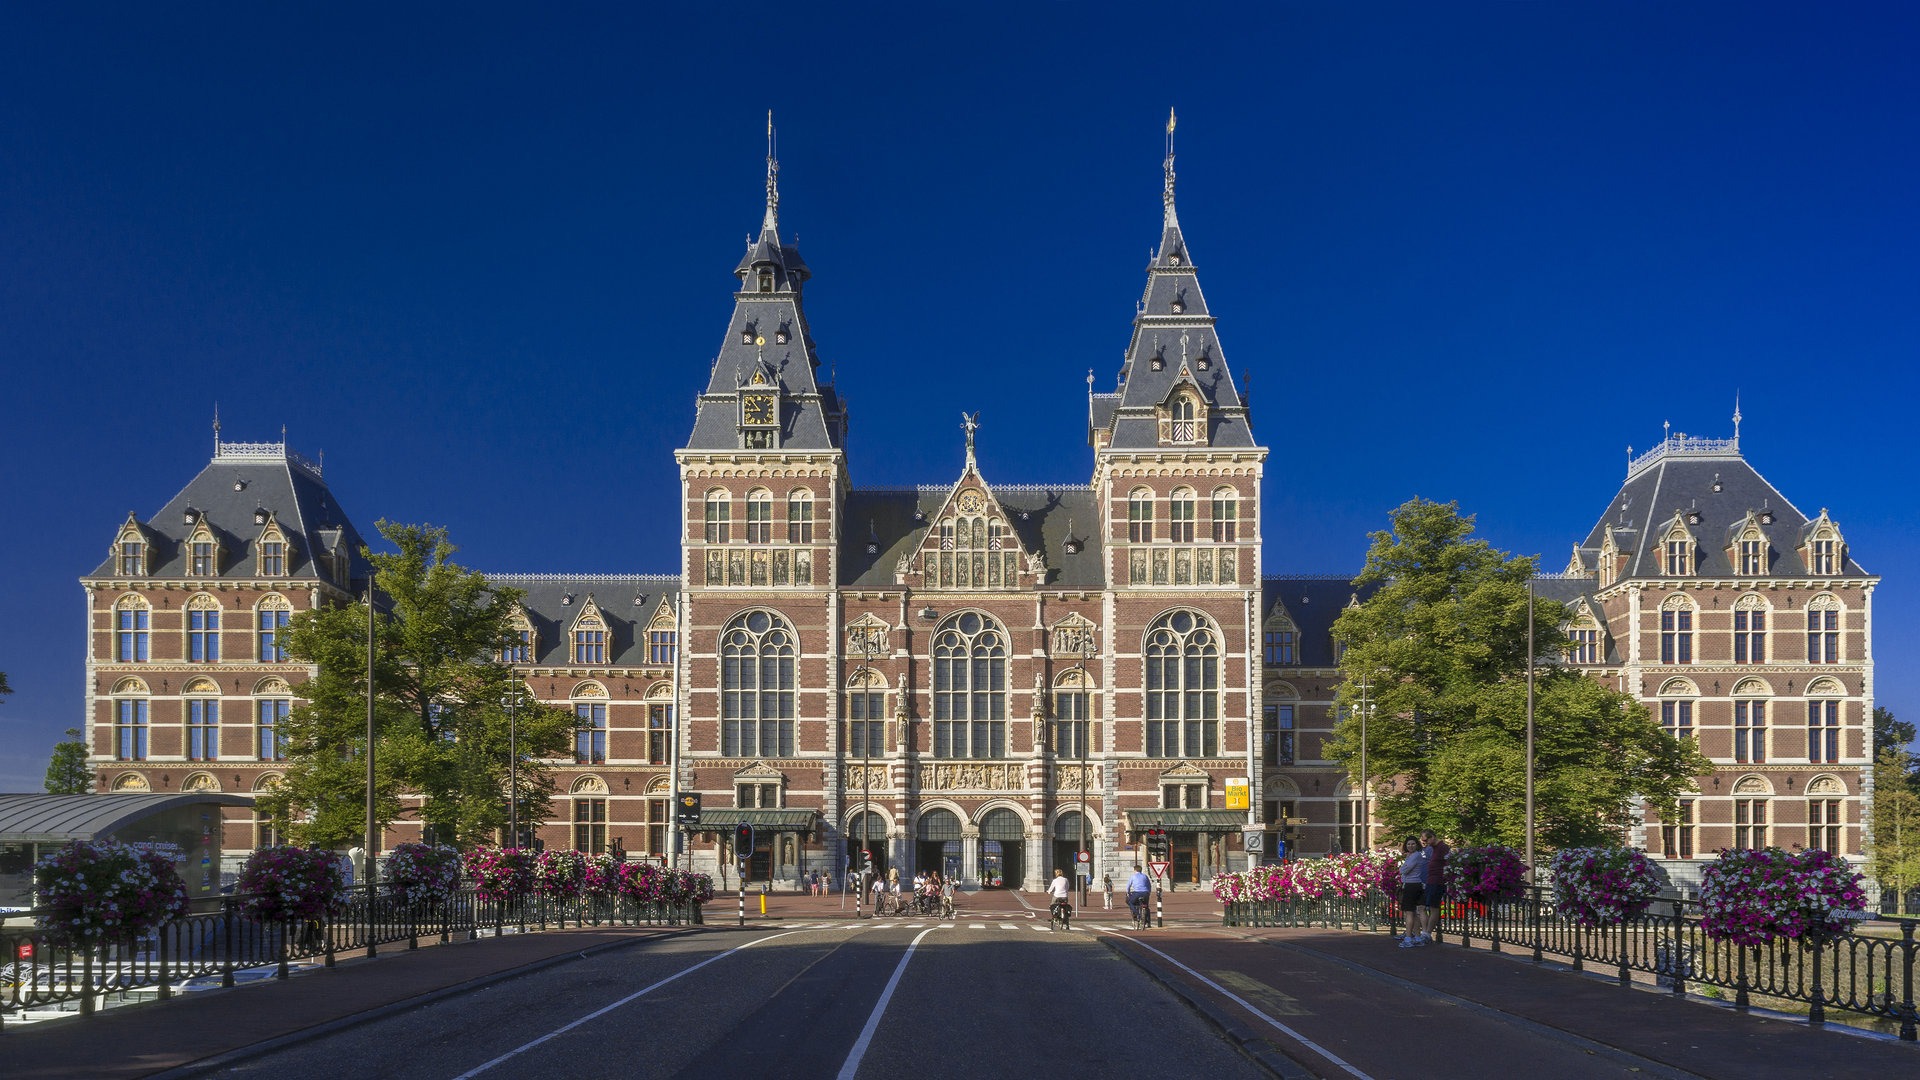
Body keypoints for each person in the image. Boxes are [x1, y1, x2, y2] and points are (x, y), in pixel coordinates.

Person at [1416, 829, 1450, 945]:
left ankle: (1427, 934)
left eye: (1426, 840)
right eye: (1423, 840)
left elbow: (1448, 864)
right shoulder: (1435, 849)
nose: (1425, 843)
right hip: (1431, 881)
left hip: (1437, 881)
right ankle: (1426, 933)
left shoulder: (1442, 848)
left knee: (1434, 907)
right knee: (1428, 906)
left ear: (1433, 837)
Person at [1396, 837, 1428, 947]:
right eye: (1408, 844)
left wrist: (1402, 869)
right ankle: (1418, 937)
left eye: (1413, 844)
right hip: (1413, 884)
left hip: (1411, 885)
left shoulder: (1415, 855)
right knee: (1414, 913)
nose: (1410, 846)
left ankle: (1408, 938)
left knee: (1409, 912)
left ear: (1417, 845)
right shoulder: (1411, 856)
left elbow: (1404, 870)